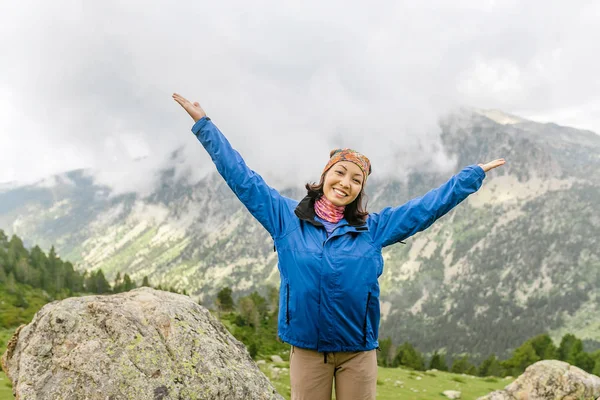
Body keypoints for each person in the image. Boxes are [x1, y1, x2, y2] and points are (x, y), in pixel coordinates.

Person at [172, 93, 505, 400]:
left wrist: (470, 177)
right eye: (340, 173)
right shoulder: (285, 218)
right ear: (325, 175)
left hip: (358, 353)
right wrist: (205, 126)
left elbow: (426, 208)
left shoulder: (373, 229)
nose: (345, 183)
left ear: (360, 190)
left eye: (355, 180)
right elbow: (241, 177)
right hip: (307, 351)